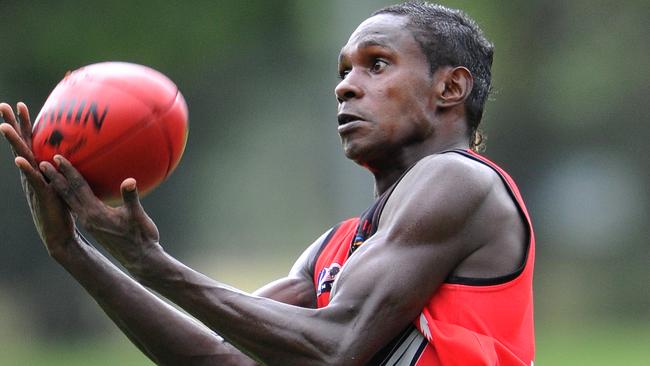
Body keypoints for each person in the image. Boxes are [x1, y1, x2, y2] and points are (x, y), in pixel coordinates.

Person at [0, 2, 535, 365]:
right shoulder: (333, 250)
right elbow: (220, 355)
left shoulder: (459, 179)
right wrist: (73, 251)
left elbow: (335, 348)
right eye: (343, 70)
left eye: (377, 65)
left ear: (449, 87)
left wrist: (150, 262)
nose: (346, 86)